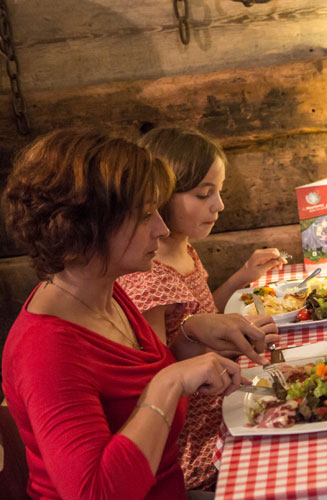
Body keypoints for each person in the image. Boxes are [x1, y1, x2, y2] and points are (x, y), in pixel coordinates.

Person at [1, 129, 275, 499]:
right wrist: (169, 382)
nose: (161, 229)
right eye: (146, 215)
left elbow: (127, 391)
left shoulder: (106, 291)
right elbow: (95, 492)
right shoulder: (45, 349)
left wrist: (191, 335)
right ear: (86, 228)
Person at [117, 126, 285, 491]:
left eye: (219, 192)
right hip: (199, 446)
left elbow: (205, 310)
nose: (219, 205)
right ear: (159, 196)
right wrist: (217, 338)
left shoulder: (184, 248)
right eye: (204, 193)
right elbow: (160, 371)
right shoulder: (149, 276)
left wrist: (243, 276)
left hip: (228, 402)